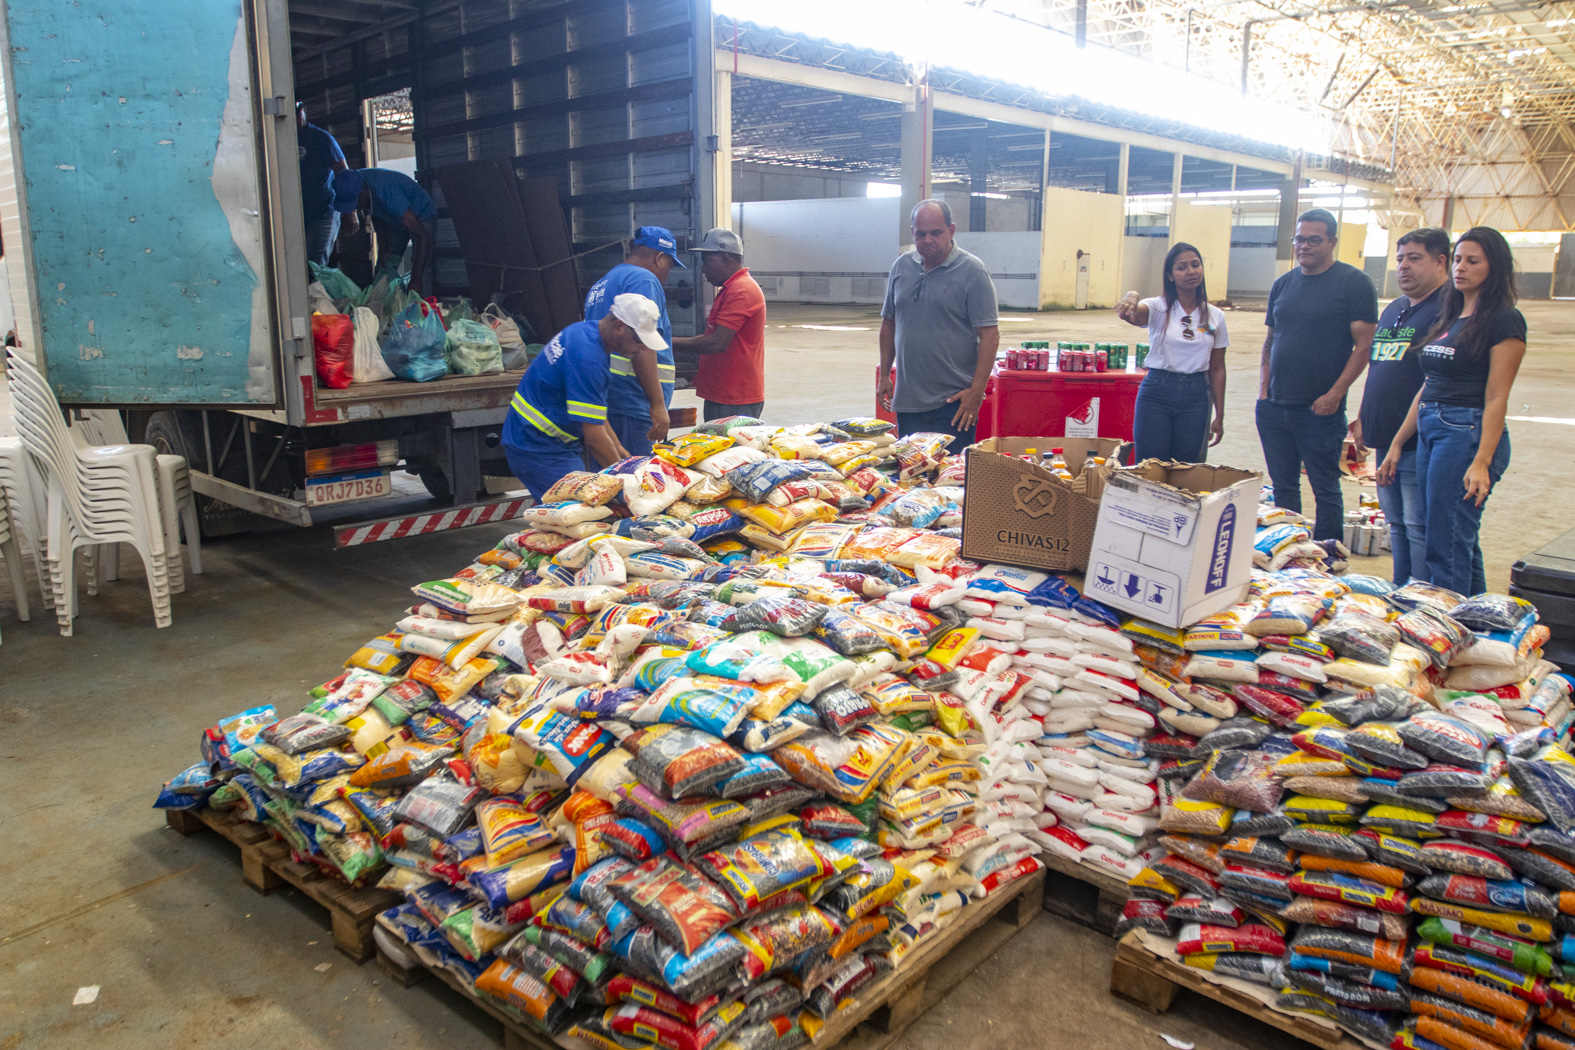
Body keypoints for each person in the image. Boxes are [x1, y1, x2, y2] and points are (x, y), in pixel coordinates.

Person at [1377, 227, 1525, 596]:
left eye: (1472, 261)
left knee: (1445, 543)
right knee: (1455, 536)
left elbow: (1496, 397)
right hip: (1431, 428)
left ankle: (1447, 626)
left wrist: (1481, 461)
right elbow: (1428, 386)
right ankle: (1475, 621)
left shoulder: (1504, 320)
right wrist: (1398, 443)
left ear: (1495, 267)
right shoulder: (1452, 315)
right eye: (1458, 259)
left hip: (1465, 432)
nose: (1460, 267)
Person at [1255, 208, 1378, 540]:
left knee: (1325, 488)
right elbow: (1271, 340)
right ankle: (1290, 555)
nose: (1304, 246)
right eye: (1299, 238)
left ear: (1332, 242)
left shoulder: (1354, 284)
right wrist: (1264, 390)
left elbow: (1364, 346)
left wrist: (1335, 395)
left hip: (1319, 410)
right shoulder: (1283, 285)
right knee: (1284, 488)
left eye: (1314, 239)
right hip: (1274, 407)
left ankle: (1329, 554)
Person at [1354, 228, 1451, 584]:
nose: (1403, 267)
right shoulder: (1395, 308)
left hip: (1416, 439)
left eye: (1414, 258)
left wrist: (1398, 439)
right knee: (1395, 524)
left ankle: (1420, 598)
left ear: (1441, 261)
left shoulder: (1447, 309)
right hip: (1384, 437)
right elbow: (1378, 365)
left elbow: (1432, 380)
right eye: (1399, 259)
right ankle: (1400, 591)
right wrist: (1364, 415)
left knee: (1417, 525)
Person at [501, 293, 666, 500]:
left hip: (544, 443)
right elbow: (595, 438)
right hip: (537, 448)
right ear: (620, 327)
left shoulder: (586, 333)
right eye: (640, 339)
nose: (643, 347)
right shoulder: (589, 358)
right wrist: (624, 482)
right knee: (582, 509)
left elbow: (594, 412)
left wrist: (621, 452)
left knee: (575, 512)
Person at [878, 200, 999, 454]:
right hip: (909, 402)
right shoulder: (901, 268)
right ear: (912, 232)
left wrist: (976, 392)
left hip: (954, 405)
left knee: (951, 483)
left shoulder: (972, 271)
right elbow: (888, 323)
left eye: (936, 233)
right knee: (910, 483)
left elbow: (989, 335)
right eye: (921, 234)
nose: (927, 240)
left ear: (951, 231)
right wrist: (885, 375)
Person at [1115, 242, 1229, 462]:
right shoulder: (1158, 308)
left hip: (1197, 396)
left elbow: (1217, 368)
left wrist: (1219, 416)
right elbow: (1132, 315)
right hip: (1157, 392)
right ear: (1170, 275)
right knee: (1151, 466)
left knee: (1188, 469)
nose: (1190, 271)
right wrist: (1132, 295)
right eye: (1182, 267)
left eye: (1195, 265)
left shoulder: (1216, 316)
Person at [582, 227, 683, 455]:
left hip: (611, 396)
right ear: (659, 257)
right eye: (670, 264)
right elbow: (642, 343)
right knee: (637, 478)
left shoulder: (603, 282)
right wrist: (657, 404)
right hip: (635, 399)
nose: (669, 272)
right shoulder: (643, 279)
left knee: (610, 474)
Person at [672, 228, 767, 422]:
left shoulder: (741, 290)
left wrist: (666, 342)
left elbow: (717, 343)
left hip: (735, 397)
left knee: (732, 452)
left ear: (724, 258)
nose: (703, 269)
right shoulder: (731, 288)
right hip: (724, 393)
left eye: (707, 261)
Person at [333, 168, 437, 297]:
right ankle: (381, 307)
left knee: (421, 272)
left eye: (355, 203)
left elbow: (423, 236)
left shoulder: (389, 193)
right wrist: (383, 249)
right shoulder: (356, 181)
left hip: (420, 216)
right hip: (394, 218)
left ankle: (421, 308)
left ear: (364, 191)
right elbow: (377, 215)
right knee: (385, 265)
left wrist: (416, 277)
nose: (355, 208)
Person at [296, 103, 348, 268]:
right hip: (295, 215)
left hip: (324, 212)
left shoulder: (320, 138)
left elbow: (344, 174)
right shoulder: (279, 138)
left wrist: (349, 210)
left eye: (297, 113)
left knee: (315, 267)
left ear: (304, 111)